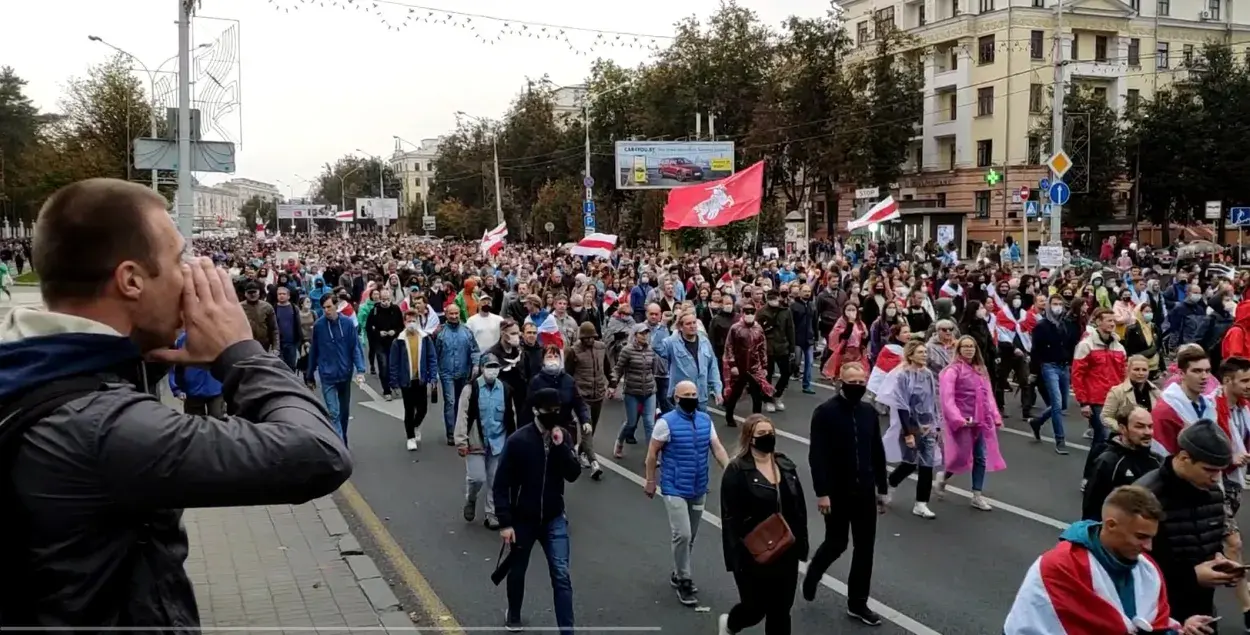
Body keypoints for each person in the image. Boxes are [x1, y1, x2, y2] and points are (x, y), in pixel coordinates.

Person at [0, 178, 351, 629]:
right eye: (178, 259)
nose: (190, 276)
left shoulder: (33, 367)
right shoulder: (101, 428)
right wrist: (239, 351)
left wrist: (145, 353)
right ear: (131, 280)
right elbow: (316, 454)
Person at [1004, 486, 1215, 634]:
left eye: (1152, 537)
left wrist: (1181, 629)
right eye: (1141, 537)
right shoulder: (1057, 567)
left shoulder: (1148, 569)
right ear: (1111, 525)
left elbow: (1152, 625)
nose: (1149, 547)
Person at [804, 362, 887, 625]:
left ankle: (858, 603)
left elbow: (877, 452)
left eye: (862, 382)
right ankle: (814, 570)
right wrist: (822, 493)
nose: (858, 387)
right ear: (840, 381)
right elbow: (817, 456)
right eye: (852, 382)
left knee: (865, 548)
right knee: (837, 542)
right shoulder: (824, 413)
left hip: (865, 491)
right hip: (837, 492)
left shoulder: (869, 413)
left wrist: (882, 488)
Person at [493, 388, 581, 634]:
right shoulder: (518, 441)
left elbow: (573, 474)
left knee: (561, 574)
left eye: (557, 410)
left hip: (554, 518)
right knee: (518, 570)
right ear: (535, 411)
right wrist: (505, 522)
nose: (554, 415)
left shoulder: (562, 436)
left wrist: (562, 446)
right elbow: (501, 484)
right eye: (548, 411)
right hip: (523, 519)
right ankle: (514, 613)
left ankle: (567, 630)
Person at [1138, 420, 1242, 626]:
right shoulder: (1145, 497)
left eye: (1221, 470)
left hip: (1203, 614)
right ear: (1184, 458)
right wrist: (1191, 577)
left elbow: (1204, 542)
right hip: (1159, 617)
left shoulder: (1213, 492)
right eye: (1209, 470)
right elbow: (1131, 566)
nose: (1216, 478)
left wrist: (1219, 562)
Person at [718, 414, 808, 635]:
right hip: (753, 551)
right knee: (755, 608)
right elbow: (730, 518)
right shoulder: (737, 470)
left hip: (785, 548)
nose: (767, 437)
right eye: (761, 434)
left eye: (770, 433)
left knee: (781, 610)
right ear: (750, 438)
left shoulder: (785, 465)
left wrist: (802, 545)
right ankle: (731, 623)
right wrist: (735, 558)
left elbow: (799, 508)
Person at [643, 380, 731, 606]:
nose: (692, 397)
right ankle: (684, 579)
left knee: (689, 536)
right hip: (674, 488)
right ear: (677, 398)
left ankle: (678, 571)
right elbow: (652, 453)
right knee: (681, 533)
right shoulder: (666, 423)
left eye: (694, 393)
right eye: (686, 394)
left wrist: (730, 470)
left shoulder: (705, 420)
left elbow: (717, 448)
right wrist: (651, 480)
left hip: (698, 487)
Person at [937, 335, 1006, 511]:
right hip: (962, 421)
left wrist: (995, 416)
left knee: (980, 456)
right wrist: (957, 418)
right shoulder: (952, 371)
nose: (969, 349)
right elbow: (947, 398)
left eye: (972, 346)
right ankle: (943, 477)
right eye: (965, 346)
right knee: (960, 456)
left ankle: (977, 495)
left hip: (980, 420)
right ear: (959, 349)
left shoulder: (980, 369)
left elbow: (988, 394)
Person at [455, 354, 516, 530]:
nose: (492, 370)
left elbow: (511, 417)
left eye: (495, 366)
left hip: (498, 442)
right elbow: (463, 415)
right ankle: (471, 498)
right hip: (476, 442)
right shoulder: (471, 389)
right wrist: (461, 441)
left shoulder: (505, 390)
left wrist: (513, 443)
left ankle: (492, 513)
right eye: (489, 366)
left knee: (496, 480)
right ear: (482, 368)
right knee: (477, 478)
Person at [306, 295, 368, 444]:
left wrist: (360, 370)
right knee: (334, 413)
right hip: (327, 376)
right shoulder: (319, 326)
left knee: (344, 413)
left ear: (336, 306)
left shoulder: (347, 324)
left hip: (345, 374)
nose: (326, 310)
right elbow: (314, 351)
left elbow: (355, 348)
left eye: (329, 307)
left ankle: (343, 438)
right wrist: (310, 375)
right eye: (324, 308)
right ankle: (341, 447)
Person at [1082, 407, 1162, 521]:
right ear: (1122, 428)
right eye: (1139, 426)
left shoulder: (1157, 461)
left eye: (1150, 426)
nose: (1148, 432)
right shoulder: (1108, 462)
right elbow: (1091, 509)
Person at [1029, 293, 1082, 454]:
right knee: (1057, 404)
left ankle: (1038, 421)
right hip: (1049, 366)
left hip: (1064, 366)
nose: (1058, 307)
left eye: (1060, 303)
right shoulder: (1042, 325)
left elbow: (1072, 344)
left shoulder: (1067, 324)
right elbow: (1035, 350)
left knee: (1063, 404)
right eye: (1054, 303)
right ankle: (1060, 439)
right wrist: (1034, 371)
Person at [389, 309, 440, 451]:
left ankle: (415, 425)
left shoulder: (425, 338)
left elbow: (431, 357)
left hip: (421, 379)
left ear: (418, 322)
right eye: (408, 321)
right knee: (409, 409)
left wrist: (433, 376)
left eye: (414, 321)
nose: (411, 323)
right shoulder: (398, 341)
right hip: (406, 381)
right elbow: (393, 363)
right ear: (404, 322)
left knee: (423, 409)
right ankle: (410, 437)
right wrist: (393, 381)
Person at [1154, 345, 1217, 457]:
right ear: (1181, 374)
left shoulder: (1208, 404)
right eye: (1197, 371)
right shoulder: (1166, 408)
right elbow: (1160, 452)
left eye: (1207, 371)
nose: (1204, 376)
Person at [564, 322, 608, 479]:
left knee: (592, 428)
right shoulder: (574, 351)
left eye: (592, 337)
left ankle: (581, 451)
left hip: (599, 394)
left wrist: (613, 382)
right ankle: (594, 463)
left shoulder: (601, 347)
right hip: (582, 395)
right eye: (586, 337)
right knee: (587, 429)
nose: (589, 340)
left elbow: (607, 367)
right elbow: (567, 373)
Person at [656, 311, 723, 413]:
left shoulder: (704, 342)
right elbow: (656, 346)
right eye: (688, 324)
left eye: (694, 322)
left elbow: (713, 366)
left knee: (700, 426)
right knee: (681, 427)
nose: (692, 326)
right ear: (680, 327)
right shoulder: (672, 342)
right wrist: (663, 324)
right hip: (681, 397)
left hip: (700, 396)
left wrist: (718, 390)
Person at [722, 302, 775, 428]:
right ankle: (729, 417)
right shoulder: (735, 328)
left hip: (754, 367)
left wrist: (765, 366)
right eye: (747, 312)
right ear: (742, 313)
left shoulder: (759, 329)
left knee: (757, 396)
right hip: (739, 367)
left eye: (752, 312)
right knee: (735, 394)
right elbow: (729, 347)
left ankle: (756, 421)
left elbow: (762, 348)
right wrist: (733, 364)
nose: (749, 314)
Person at [435, 306, 481, 446]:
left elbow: (474, 350)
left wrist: (475, 365)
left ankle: (461, 431)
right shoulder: (440, 333)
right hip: (446, 372)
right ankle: (450, 433)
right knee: (450, 402)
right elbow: (435, 353)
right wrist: (434, 373)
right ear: (447, 315)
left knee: (462, 403)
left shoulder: (467, 331)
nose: (454, 316)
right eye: (451, 314)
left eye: (456, 313)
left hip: (464, 372)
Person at [612, 324, 659, 457]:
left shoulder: (650, 350)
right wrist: (613, 383)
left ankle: (651, 455)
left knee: (650, 423)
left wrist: (652, 382)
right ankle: (619, 442)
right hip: (632, 391)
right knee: (631, 422)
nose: (644, 336)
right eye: (641, 333)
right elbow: (618, 368)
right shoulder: (627, 350)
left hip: (649, 391)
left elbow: (653, 369)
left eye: (646, 333)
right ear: (635, 335)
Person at [167, 331, 225, 418]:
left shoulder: (218, 336)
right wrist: (177, 388)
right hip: (193, 391)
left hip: (215, 389)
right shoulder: (183, 339)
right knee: (195, 425)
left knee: (219, 424)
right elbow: (176, 365)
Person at [758, 289, 795, 412]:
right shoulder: (761, 312)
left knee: (786, 372)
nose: (774, 300)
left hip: (782, 346)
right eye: (771, 298)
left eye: (775, 297)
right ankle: (767, 399)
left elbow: (790, 329)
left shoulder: (785, 311)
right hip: (767, 348)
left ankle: (777, 395)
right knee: (767, 374)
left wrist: (792, 348)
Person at [366, 288, 404, 401]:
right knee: (383, 365)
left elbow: (401, 326)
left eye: (387, 299)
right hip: (379, 343)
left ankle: (394, 384)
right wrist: (378, 332)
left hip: (393, 342)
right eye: (383, 300)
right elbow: (368, 327)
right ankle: (386, 390)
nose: (386, 302)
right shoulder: (375, 311)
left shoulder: (396, 309)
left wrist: (395, 331)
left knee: (394, 365)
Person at [273, 286, 303, 371]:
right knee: (279, 367)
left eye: (284, 294)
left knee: (291, 366)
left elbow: (298, 324)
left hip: (291, 342)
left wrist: (300, 340)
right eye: (279, 294)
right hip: (278, 343)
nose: (281, 296)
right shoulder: (273, 308)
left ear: (288, 296)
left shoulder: (294, 308)